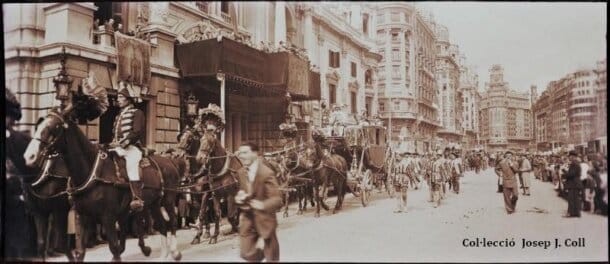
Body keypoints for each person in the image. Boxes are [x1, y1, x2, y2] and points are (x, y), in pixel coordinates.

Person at [235, 142, 283, 262]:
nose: (241, 156)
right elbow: (242, 191)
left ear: (255, 153)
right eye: (240, 153)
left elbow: (277, 200)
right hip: (248, 218)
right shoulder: (241, 172)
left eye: (245, 152)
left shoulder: (266, 173)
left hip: (265, 218)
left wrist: (262, 205)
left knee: (272, 258)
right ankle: (261, 257)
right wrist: (239, 197)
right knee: (246, 253)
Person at [111, 87, 146, 211]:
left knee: (132, 167)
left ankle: (137, 197)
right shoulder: (119, 115)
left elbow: (136, 132)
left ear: (128, 99)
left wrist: (122, 143)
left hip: (131, 147)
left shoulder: (137, 113)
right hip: (118, 147)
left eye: (121, 97)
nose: (118, 100)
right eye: (118, 97)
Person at [563, 151, 583, 217]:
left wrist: (564, 174)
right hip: (576, 183)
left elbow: (572, 174)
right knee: (576, 199)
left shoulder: (574, 163)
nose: (569, 157)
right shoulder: (577, 162)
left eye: (570, 156)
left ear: (573, 156)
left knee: (571, 199)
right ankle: (576, 213)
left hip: (573, 183)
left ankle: (571, 213)